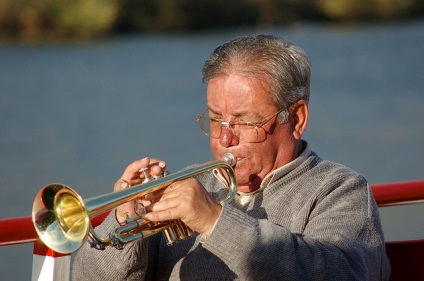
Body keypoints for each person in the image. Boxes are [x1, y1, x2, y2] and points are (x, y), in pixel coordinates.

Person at [72, 34, 391, 280]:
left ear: (296, 118)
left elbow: (341, 273)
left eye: (244, 122)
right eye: (215, 119)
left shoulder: (341, 191)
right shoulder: (191, 183)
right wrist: (124, 220)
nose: (224, 138)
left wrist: (214, 220)